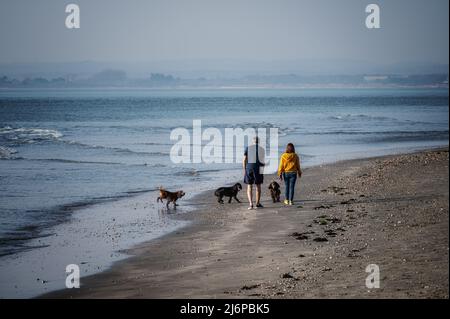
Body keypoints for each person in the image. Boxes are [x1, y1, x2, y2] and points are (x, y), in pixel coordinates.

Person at [243, 136, 265, 210]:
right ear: (258, 142)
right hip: (258, 168)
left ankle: (251, 204)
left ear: (253, 141)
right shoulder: (261, 149)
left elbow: (244, 160)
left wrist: (245, 169)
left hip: (249, 168)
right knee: (258, 186)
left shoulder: (248, 148)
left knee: (249, 186)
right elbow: (262, 162)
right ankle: (257, 203)